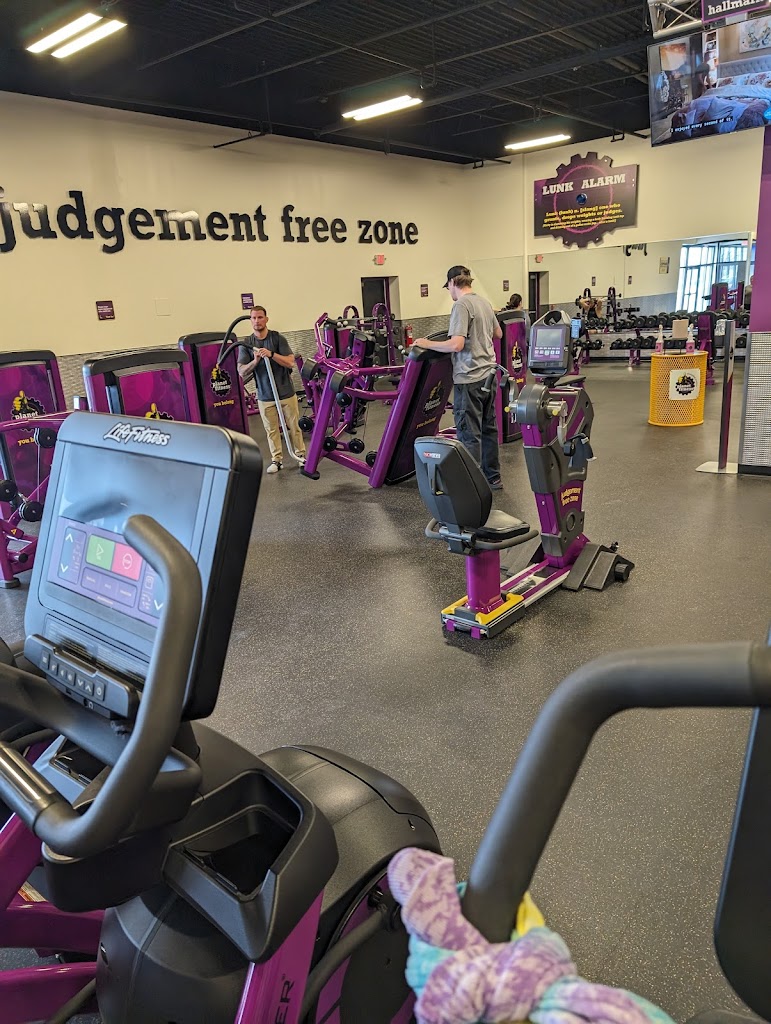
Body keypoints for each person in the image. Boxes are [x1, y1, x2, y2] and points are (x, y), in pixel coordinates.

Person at [416, 266, 503, 490]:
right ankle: (492, 478)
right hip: (489, 375)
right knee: (488, 429)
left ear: (453, 283)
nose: (449, 292)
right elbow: (498, 333)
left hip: (470, 377)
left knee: (469, 433)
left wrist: (427, 344)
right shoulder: (484, 302)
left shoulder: (461, 305)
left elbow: (456, 344)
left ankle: (471, 487)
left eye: (448, 287)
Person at [237, 306, 306, 474]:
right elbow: (241, 371)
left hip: (286, 392)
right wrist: (255, 361)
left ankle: (301, 456)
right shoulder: (247, 344)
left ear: (266, 319)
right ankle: (277, 460)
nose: (257, 321)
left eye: (260, 317)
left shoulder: (277, 338)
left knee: (294, 426)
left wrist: (271, 354)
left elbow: (290, 362)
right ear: (250, 320)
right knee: (271, 430)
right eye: (254, 318)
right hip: (265, 395)